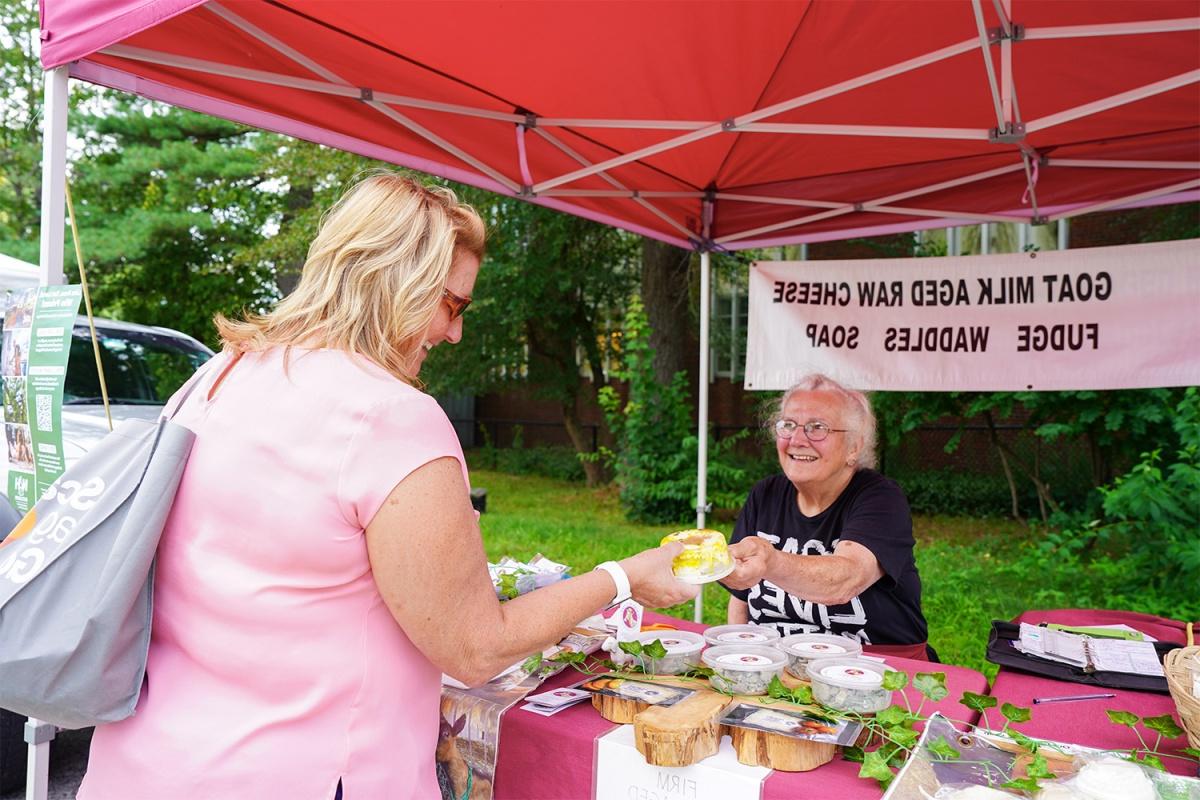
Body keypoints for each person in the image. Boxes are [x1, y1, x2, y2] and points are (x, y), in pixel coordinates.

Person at [77, 172, 696, 800]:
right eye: (453, 305)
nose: (454, 332)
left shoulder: (216, 377)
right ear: (399, 283)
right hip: (312, 774)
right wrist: (624, 578)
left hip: (145, 761)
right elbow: (477, 649)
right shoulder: (390, 415)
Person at [720, 374, 930, 659]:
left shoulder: (880, 498)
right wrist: (741, 656)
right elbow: (740, 599)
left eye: (817, 428)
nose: (797, 439)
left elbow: (846, 579)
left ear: (854, 447)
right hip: (775, 663)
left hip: (872, 671)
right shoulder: (765, 494)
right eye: (788, 425)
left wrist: (771, 561)